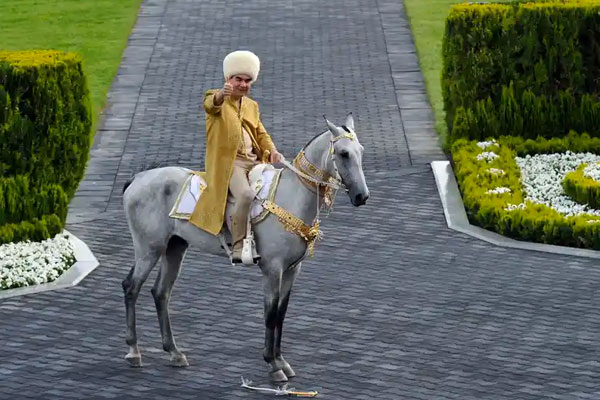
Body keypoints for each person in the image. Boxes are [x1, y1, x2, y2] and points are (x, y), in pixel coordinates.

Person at [190, 50, 284, 264]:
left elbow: (260, 132)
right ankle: (239, 245)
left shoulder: (252, 106)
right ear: (228, 79)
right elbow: (210, 105)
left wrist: (273, 150)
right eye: (237, 79)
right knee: (246, 195)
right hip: (231, 164)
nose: (242, 84)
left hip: (255, 162)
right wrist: (221, 95)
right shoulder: (215, 97)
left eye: (247, 80)